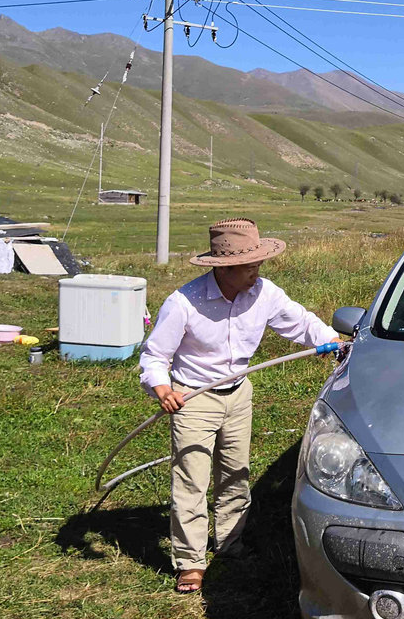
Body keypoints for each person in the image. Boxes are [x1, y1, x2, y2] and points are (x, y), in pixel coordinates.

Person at [139, 218, 339, 594]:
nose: (256, 274)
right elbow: (154, 355)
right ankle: (191, 563)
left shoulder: (263, 293)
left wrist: (332, 341)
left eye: (258, 265)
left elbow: (300, 322)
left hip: (238, 394)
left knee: (235, 473)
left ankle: (231, 545)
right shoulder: (184, 303)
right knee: (191, 480)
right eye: (250, 267)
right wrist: (162, 388)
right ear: (225, 269)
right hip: (193, 397)